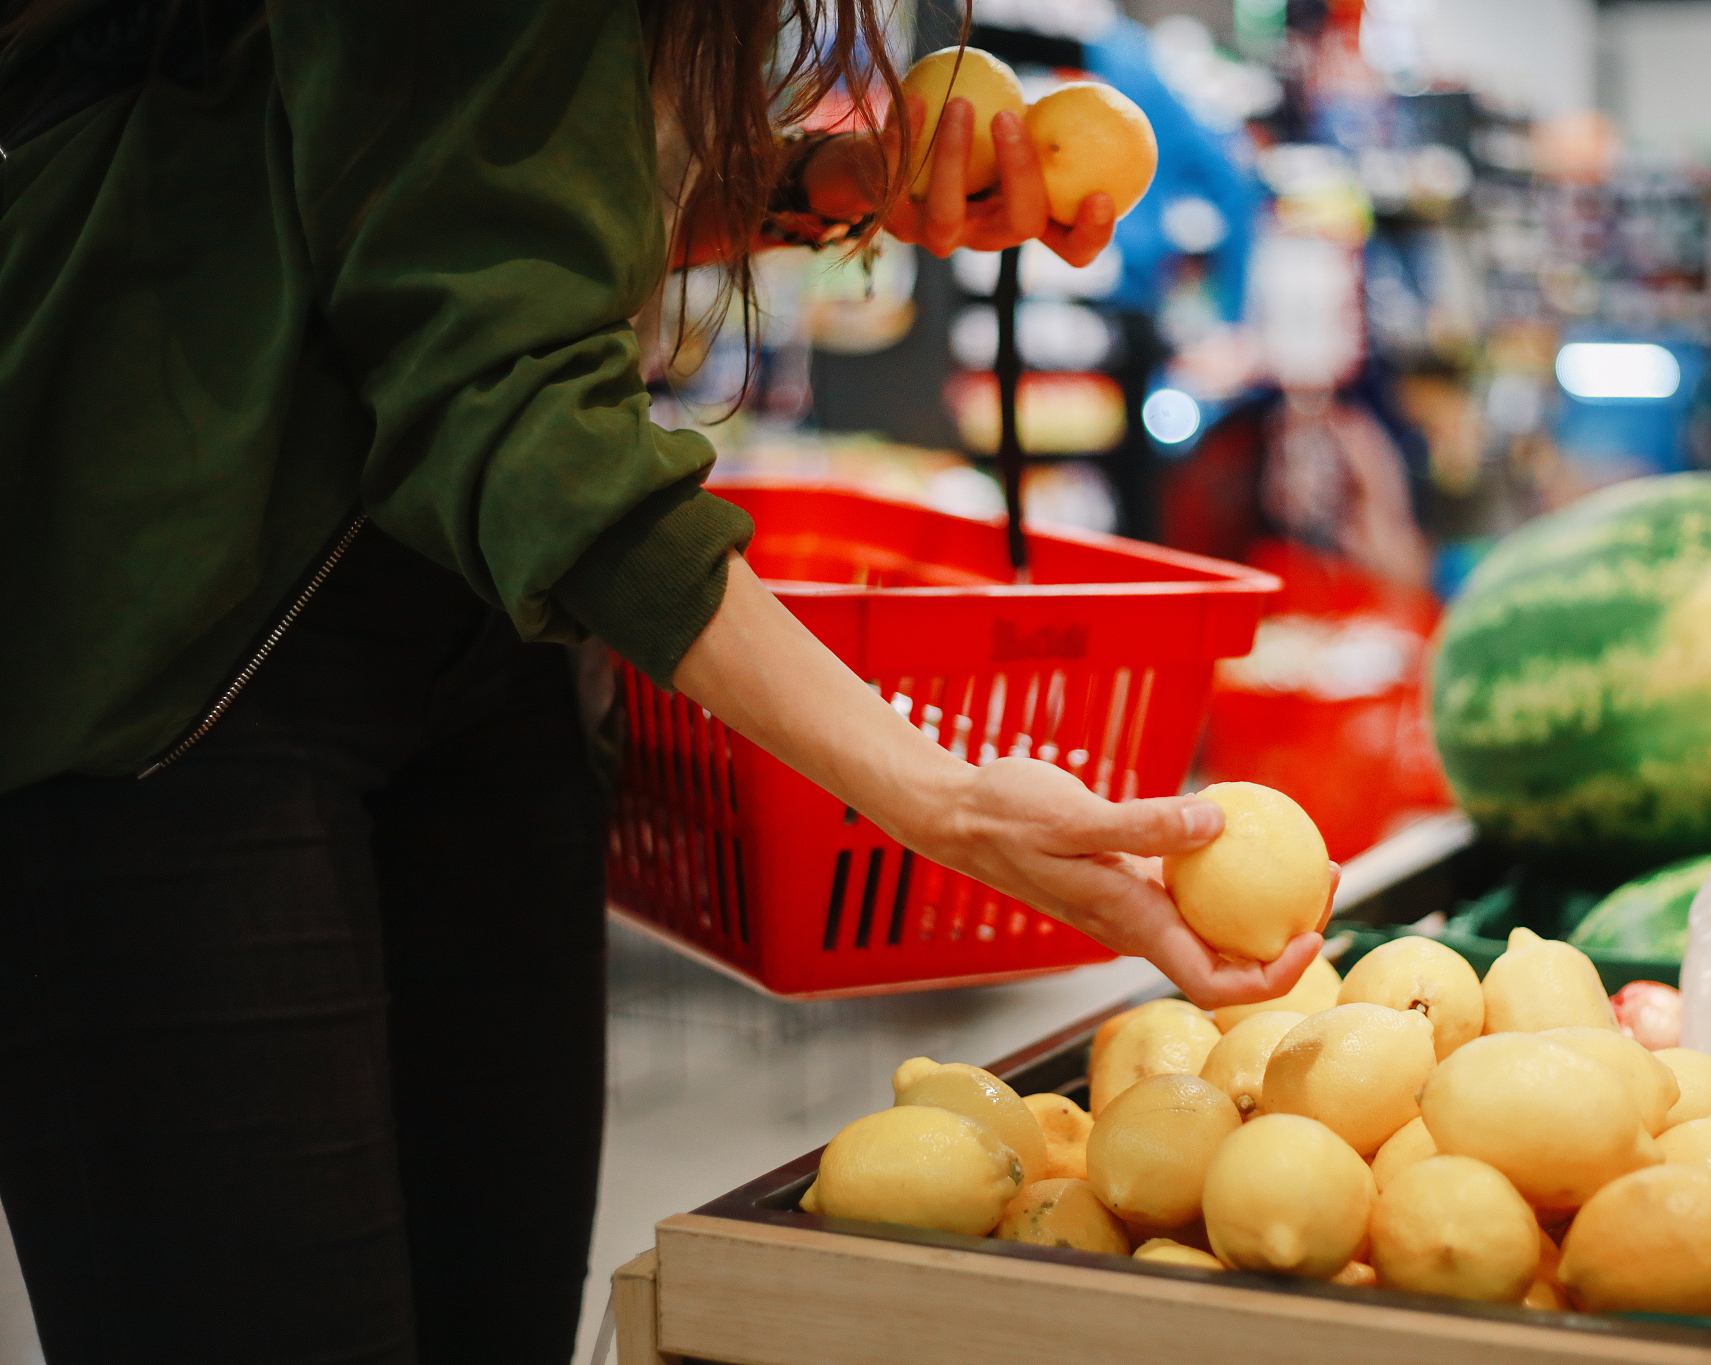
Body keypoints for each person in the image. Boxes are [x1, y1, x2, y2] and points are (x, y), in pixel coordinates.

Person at [0, 2, 1331, 1362]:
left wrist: (830, 186)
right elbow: (498, 379)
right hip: (170, 632)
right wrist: (940, 795)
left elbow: (482, 203)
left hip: (476, 618)